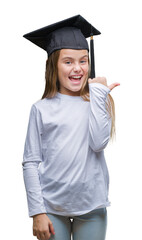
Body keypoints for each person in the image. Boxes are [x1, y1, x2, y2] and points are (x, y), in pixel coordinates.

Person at [22, 15, 120, 240]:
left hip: (92, 206)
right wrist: (37, 211)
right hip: (52, 207)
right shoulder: (41, 109)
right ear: (53, 65)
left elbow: (98, 143)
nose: (77, 68)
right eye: (68, 62)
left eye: (83, 61)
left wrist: (98, 94)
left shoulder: (96, 100)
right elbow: (30, 162)